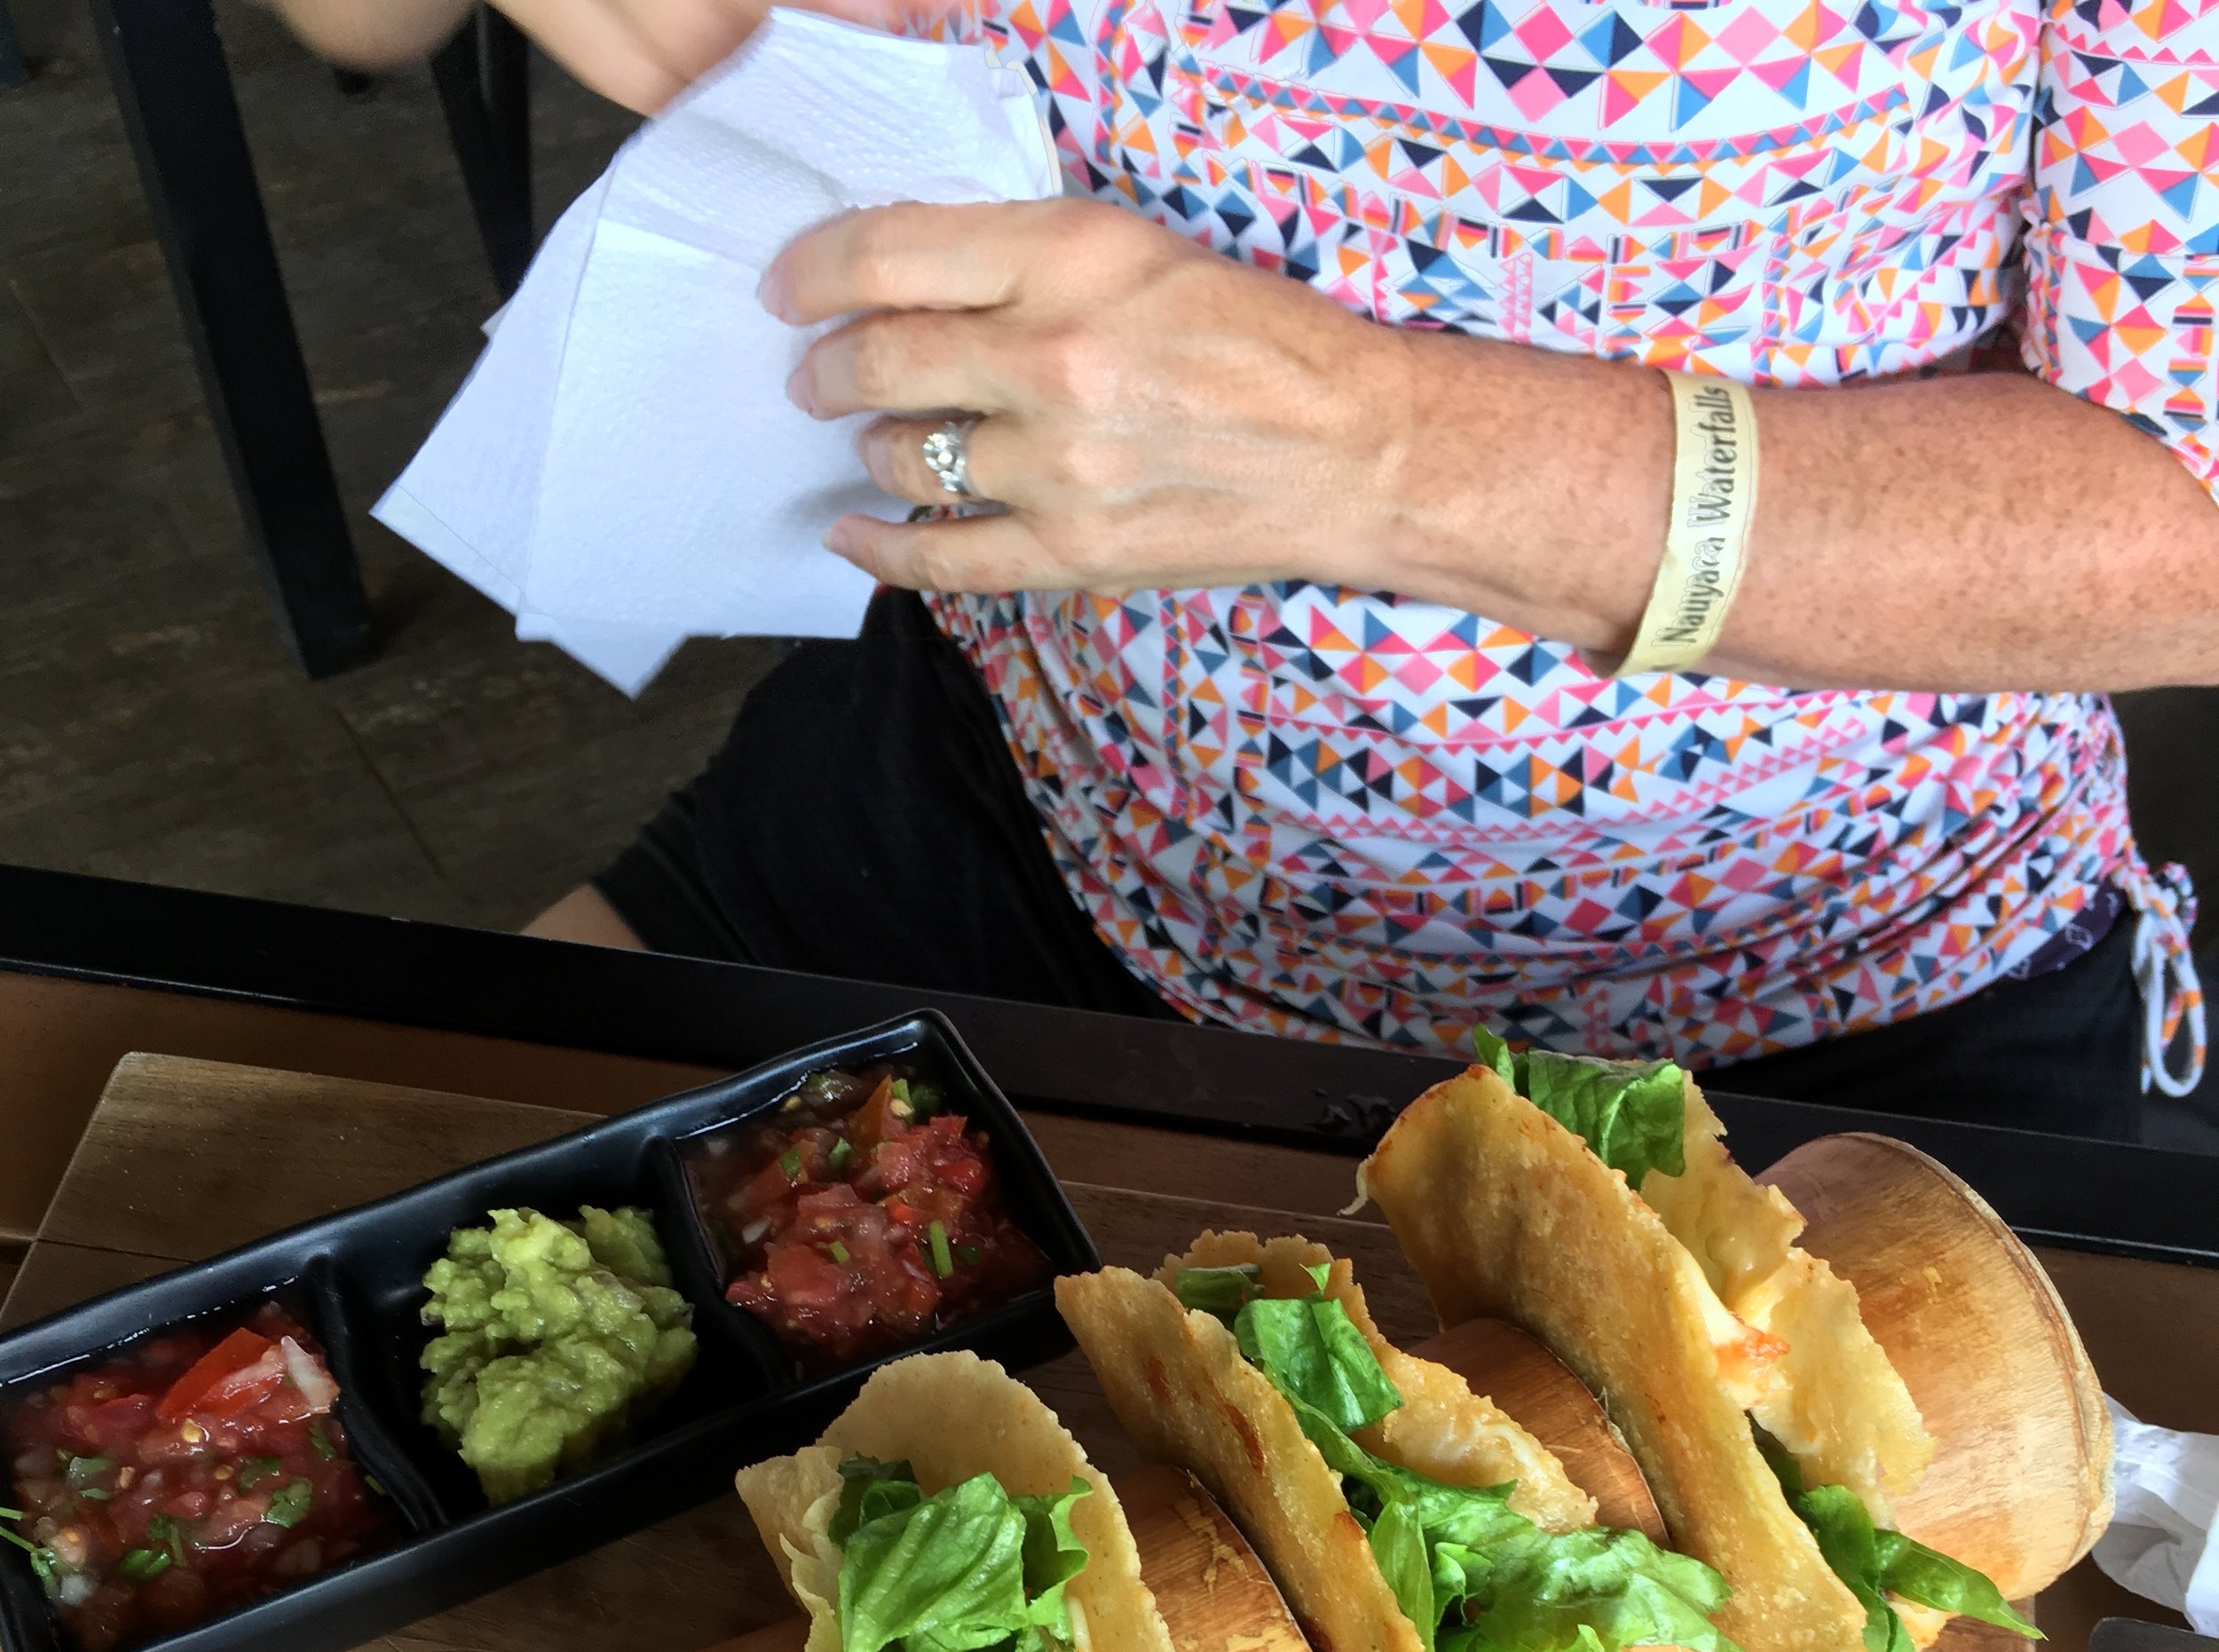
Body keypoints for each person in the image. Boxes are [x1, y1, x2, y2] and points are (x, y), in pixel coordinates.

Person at [278, 0, 2219, 1134]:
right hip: (1016, 802)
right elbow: (359, 22)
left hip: (1820, 992)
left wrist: (1394, 454)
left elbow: (2187, 531)